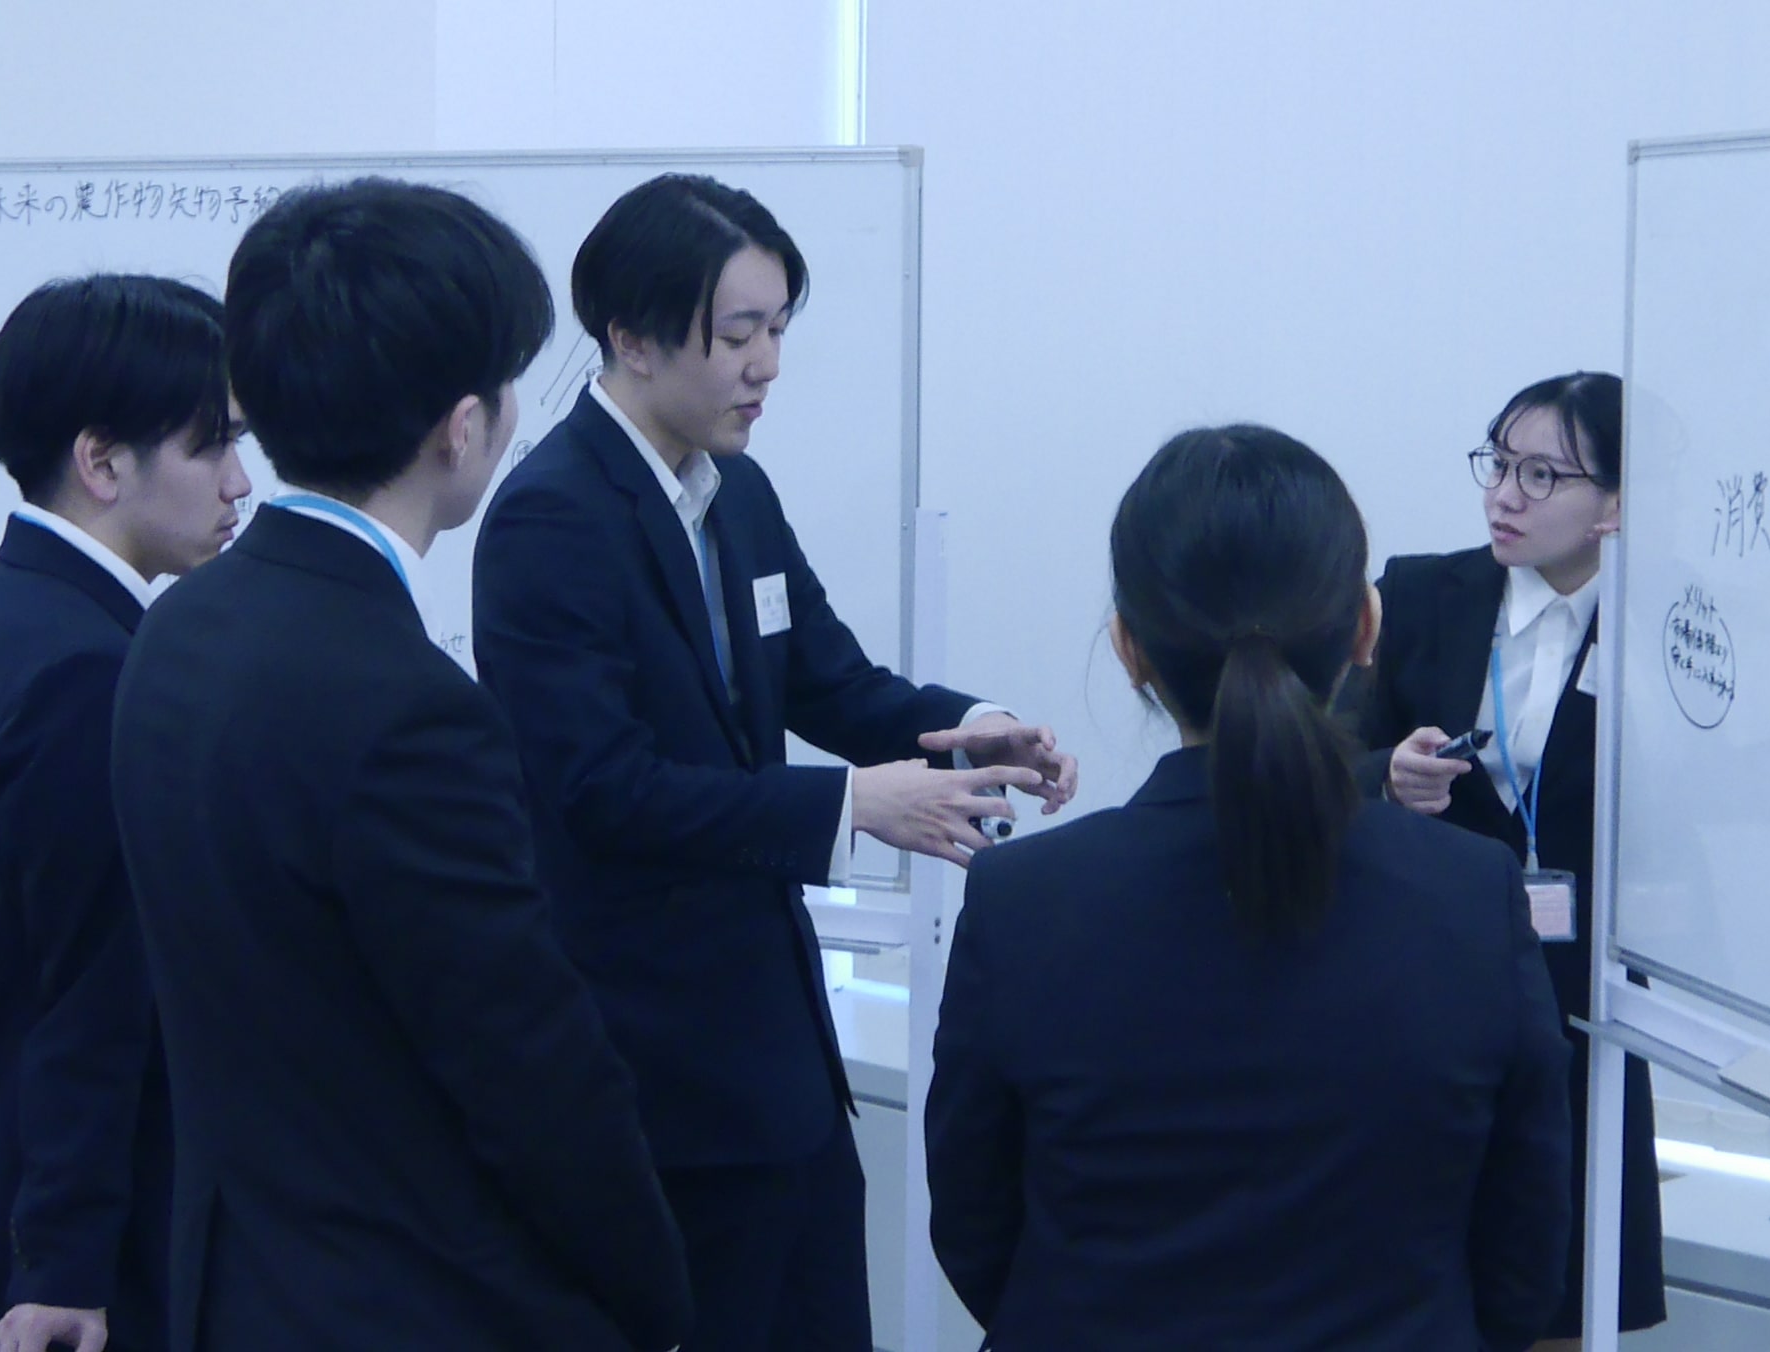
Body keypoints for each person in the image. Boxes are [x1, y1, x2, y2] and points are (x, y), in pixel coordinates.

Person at [473, 173, 1076, 1352]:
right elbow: (600, 790)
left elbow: (830, 684)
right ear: (632, 338)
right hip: (651, 1063)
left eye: (779, 329)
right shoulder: (552, 517)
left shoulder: (736, 493)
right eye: (738, 333)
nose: (768, 366)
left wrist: (976, 726)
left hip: (777, 1053)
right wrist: (849, 805)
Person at [109, 180, 690, 1352]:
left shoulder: (178, 626)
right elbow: (529, 1071)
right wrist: (658, 1300)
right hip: (420, 1300)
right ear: (460, 427)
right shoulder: (408, 707)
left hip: (241, 1286)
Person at [926, 424, 1572, 1351]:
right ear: (1366, 628)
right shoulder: (1473, 895)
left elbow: (975, 1225)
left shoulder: (1024, 900)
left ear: (1128, 647)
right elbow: (1525, 1252)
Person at [0, 276, 249, 1352]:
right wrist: (67, 1266)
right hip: (86, 1248)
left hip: (8, 1197)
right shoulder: (87, 672)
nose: (240, 483)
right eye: (211, 446)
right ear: (101, 462)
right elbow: (90, 999)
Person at [1353, 370, 1666, 1345]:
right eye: (1497, 465)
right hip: (1422, 974)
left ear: (1616, 504)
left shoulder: (1668, 628)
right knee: (1412, 1257)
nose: (1504, 496)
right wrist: (1384, 775)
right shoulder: (1417, 594)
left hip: (1584, 997)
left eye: (1541, 475)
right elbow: (1321, 753)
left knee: (1568, 1268)